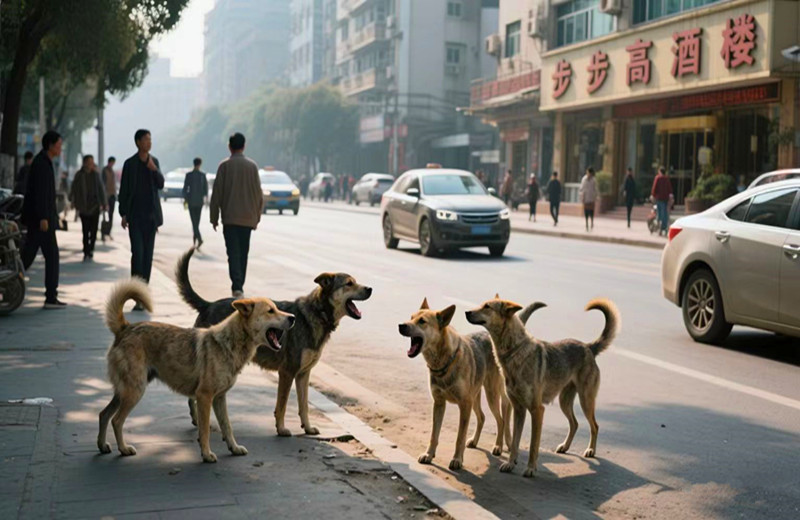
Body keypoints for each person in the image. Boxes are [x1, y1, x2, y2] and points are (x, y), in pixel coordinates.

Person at [209, 132, 262, 298]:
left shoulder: (224, 166)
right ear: (244, 146)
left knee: (233, 253)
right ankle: (240, 284)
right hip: (247, 219)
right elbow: (258, 195)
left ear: (229, 147)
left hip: (230, 218)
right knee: (243, 253)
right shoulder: (252, 166)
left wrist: (214, 217)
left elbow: (216, 194)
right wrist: (256, 217)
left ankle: (237, 285)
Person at [119, 129, 164, 310]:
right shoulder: (129, 164)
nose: (149, 142)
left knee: (147, 258)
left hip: (151, 218)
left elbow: (161, 184)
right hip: (135, 218)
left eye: (150, 139)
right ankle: (137, 294)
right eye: (146, 139)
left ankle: (143, 295)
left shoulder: (155, 162)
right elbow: (123, 190)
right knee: (137, 255)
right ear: (138, 142)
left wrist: (154, 170)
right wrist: (123, 213)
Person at [21, 130, 65, 309]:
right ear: (50, 145)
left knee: (28, 255)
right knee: (49, 256)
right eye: (59, 145)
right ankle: (50, 297)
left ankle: (51, 296)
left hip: (41, 220)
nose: (60, 148)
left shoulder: (45, 162)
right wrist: (44, 218)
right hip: (41, 221)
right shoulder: (41, 164)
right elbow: (40, 194)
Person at [69, 154, 107, 261]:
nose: (91, 164)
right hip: (83, 207)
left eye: (92, 162)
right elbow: (73, 188)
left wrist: (104, 203)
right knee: (85, 231)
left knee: (94, 231)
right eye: (89, 162)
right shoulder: (79, 175)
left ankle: (91, 248)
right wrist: (72, 200)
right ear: (84, 163)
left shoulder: (96, 175)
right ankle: (86, 249)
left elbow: (101, 189)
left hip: (95, 206)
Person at [183, 157, 208, 249]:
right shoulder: (202, 175)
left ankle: (197, 238)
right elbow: (205, 190)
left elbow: (185, 188)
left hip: (191, 201)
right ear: (200, 164)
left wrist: (185, 198)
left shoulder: (189, 175)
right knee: (196, 222)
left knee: (194, 222)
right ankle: (197, 238)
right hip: (199, 202)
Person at [651, 166, 673, 237]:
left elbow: (654, 187)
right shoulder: (666, 179)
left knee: (660, 213)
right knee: (665, 213)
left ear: (660, 171)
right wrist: (670, 196)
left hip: (659, 198)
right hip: (665, 198)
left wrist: (653, 195)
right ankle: (664, 228)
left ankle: (660, 228)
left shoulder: (658, 178)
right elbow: (670, 189)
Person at [101, 156, 117, 241]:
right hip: (106, 196)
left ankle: (108, 232)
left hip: (112, 196)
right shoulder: (104, 171)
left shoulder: (112, 172)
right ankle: (103, 233)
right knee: (105, 216)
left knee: (111, 216)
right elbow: (103, 184)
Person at [579, 167, 598, 231]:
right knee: (586, 212)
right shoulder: (584, 179)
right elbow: (581, 188)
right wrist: (582, 197)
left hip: (591, 199)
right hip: (586, 198)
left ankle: (592, 222)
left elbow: (595, 189)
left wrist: (595, 197)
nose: (588, 174)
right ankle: (587, 224)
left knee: (591, 212)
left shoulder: (593, 180)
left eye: (588, 172)